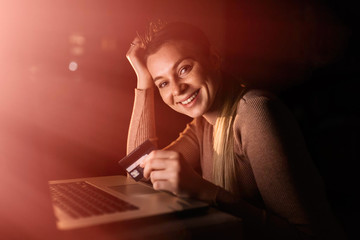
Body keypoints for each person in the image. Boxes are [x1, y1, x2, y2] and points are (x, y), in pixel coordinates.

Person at [125, 21, 345, 239]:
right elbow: (137, 174)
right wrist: (144, 81)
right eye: (162, 83)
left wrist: (203, 191)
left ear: (214, 58)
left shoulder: (255, 113)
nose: (177, 89)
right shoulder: (202, 125)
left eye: (184, 69)